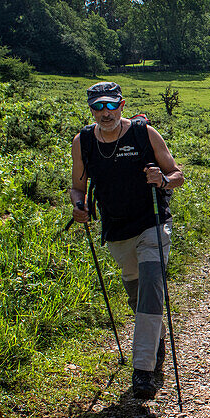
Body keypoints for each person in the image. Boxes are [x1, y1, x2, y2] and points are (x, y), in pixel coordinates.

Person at [70, 82, 184, 399]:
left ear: (122, 105)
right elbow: (77, 186)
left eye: (110, 106)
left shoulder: (143, 134)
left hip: (152, 221)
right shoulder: (84, 142)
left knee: (150, 288)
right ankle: (155, 336)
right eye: (98, 107)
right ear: (91, 109)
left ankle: (143, 370)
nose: (104, 113)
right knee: (137, 299)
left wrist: (162, 179)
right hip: (117, 231)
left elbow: (177, 174)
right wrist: (78, 205)